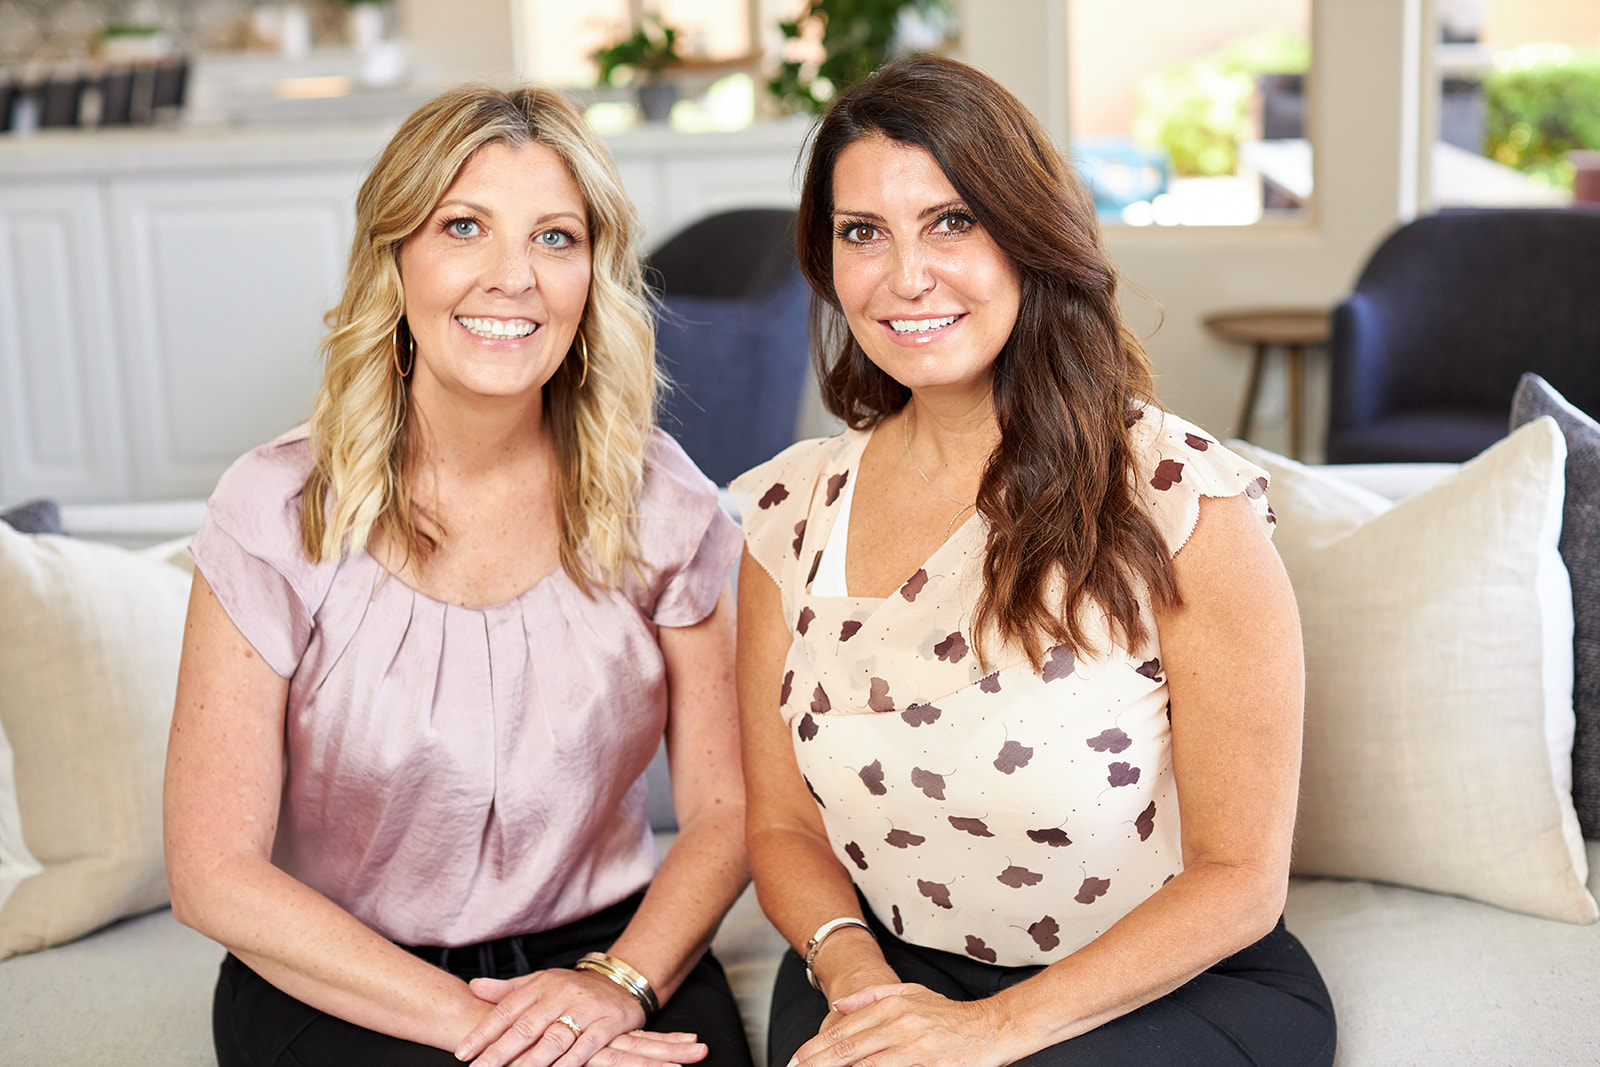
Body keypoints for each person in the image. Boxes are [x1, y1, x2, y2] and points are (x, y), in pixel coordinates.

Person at [730, 56, 1336, 1067]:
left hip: (1165, 985)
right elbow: (784, 829)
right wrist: (863, 985)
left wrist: (988, 1030)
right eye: (862, 232)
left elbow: (1240, 876)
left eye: (952, 220)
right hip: (884, 971)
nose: (905, 274)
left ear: (1029, 234)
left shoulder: (1178, 494)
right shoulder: (782, 514)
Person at [164, 85, 753, 1067]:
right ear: (395, 259)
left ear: (593, 275)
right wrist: (499, 1029)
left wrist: (611, 986)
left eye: (555, 237)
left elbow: (731, 812)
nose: (510, 277)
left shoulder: (665, 501)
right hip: (347, 971)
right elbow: (213, 871)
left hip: (614, 952)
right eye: (464, 226)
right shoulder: (273, 506)